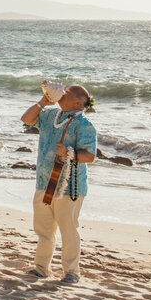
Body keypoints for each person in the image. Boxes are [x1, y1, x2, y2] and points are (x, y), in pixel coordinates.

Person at [21, 84, 97, 284]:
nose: (62, 92)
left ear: (78, 102)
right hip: (44, 181)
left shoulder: (84, 125)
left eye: (68, 92)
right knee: (43, 228)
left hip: (69, 185)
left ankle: (72, 271)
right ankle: (41, 267)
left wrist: (68, 153)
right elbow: (26, 119)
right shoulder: (50, 115)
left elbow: (90, 156)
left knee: (68, 229)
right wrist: (43, 102)